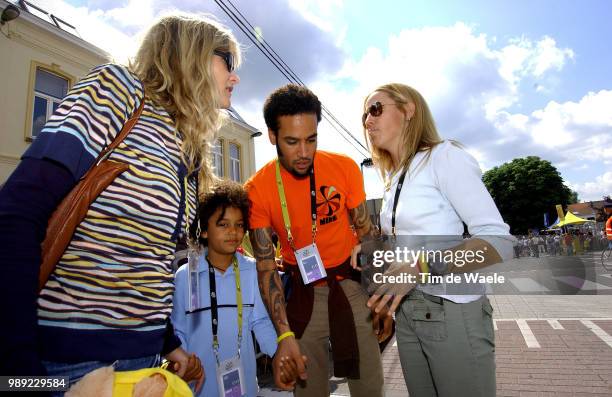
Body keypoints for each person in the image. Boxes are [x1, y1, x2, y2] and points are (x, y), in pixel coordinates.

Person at [0, 13, 240, 390]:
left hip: (144, 365)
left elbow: (143, 263)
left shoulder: (186, 149)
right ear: (188, 54)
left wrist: (168, 344)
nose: (235, 76)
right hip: (63, 366)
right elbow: (17, 213)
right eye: (227, 61)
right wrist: (21, 372)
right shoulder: (118, 89)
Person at [353, 83, 515, 397]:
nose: (367, 121)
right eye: (363, 116)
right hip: (409, 313)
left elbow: (499, 242)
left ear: (408, 109)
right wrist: (374, 252)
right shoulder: (396, 177)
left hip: (451, 310)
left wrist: (421, 266)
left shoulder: (444, 156)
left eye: (375, 109)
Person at [245, 84, 387, 396]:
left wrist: (378, 297)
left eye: (311, 139)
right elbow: (266, 268)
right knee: (308, 388)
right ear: (272, 136)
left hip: (349, 285)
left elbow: (366, 233)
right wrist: (284, 336)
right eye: (292, 142)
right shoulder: (257, 189)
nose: (304, 152)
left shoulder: (344, 167)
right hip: (302, 296)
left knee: (369, 387)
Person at [171, 180, 277, 397]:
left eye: (239, 225)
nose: (233, 232)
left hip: (245, 389)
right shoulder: (185, 277)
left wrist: (279, 354)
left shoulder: (250, 271)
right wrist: (181, 365)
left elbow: (260, 322)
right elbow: (177, 331)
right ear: (203, 231)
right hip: (197, 390)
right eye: (223, 224)